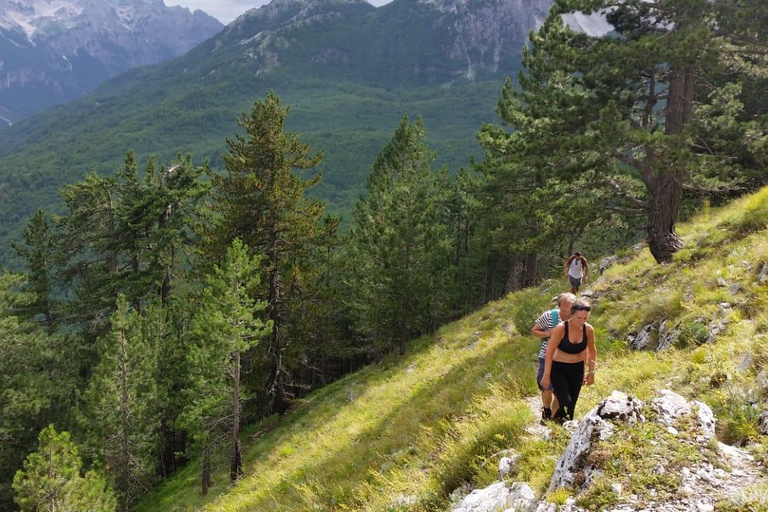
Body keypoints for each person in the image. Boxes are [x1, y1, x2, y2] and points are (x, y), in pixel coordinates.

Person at [539, 299, 597, 422]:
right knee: (566, 402)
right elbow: (549, 352)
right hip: (558, 370)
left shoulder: (588, 330)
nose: (582, 321)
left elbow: (591, 351)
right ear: (571, 314)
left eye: (585, 318)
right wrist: (547, 374)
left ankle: (557, 427)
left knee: (572, 405)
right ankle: (558, 427)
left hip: (576, 370)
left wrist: (591, 373)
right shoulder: (561, 328)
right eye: (578, 318)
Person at [531, 293, 576, 423]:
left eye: (570, 309)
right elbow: (534, 331)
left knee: (559, 390)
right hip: (546, 357)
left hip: (566, 359)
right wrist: (549, 333)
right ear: (559, 306)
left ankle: (552, 417)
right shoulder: (549, 316)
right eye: (564, 309)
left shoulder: (577, 318)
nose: (567, 312)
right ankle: (546, 410)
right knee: (547, 387)